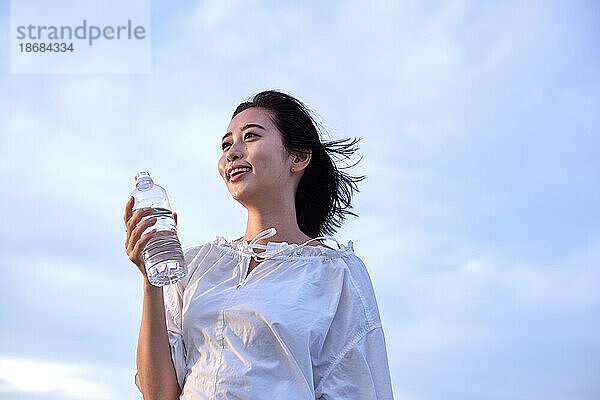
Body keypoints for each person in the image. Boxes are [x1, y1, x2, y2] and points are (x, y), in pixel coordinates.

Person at [124, 90, 394, 399]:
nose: (232, 152)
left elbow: (358, 388)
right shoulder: (196, 264)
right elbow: (159, 395)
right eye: (226, 144)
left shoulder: (335, 273)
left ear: (298, 157)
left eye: (250, 137)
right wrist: (151, 283)